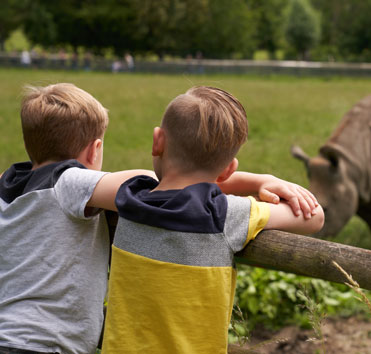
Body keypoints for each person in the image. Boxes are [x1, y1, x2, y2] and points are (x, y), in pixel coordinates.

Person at [0, 84, 318, 354]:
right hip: (46, 343)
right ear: (93, 151)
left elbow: (169, 183)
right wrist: (253, 181)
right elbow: (153, 182)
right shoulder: (71, 182)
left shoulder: (7, 185)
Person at [101, 87, 325, 353]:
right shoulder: (224, 215)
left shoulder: (128, 197)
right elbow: (314, 217)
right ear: (229, 169)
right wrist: (265, 181)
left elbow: (151, 178)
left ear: (157, 142)